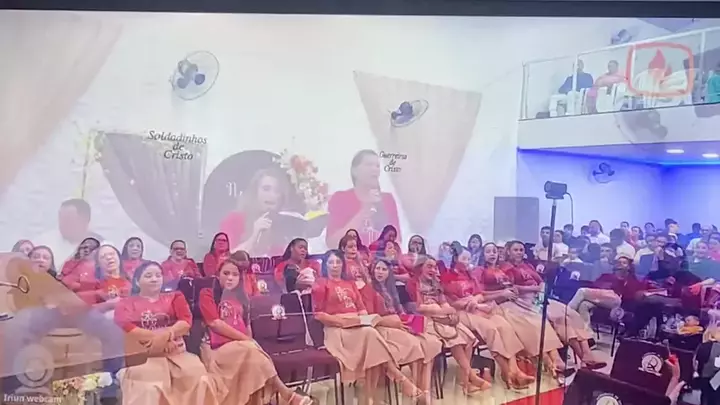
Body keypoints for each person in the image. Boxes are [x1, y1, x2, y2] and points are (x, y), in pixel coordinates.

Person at [4, 257, 126, 403]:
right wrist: (55, 299)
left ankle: (110, 381)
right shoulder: (55, 270)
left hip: (84, 312)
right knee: (18, 325)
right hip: (53, 310)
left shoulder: (93, 268)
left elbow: (97, 294)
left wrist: (81, 301)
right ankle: (15, 383)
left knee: (113, 328)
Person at [312, 250, 424, 405]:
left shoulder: (350, 283)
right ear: (325, 265)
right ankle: (399, 379)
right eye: (331, 262)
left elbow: (361, 308)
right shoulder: (320, 284)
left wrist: (364, 320)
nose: (335, 265)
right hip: (337, 329)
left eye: (338, 262)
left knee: (378, 337)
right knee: (370, 334)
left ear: (343, 264)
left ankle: (369, 399)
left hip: (358, 324)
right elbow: (318, 315)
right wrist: (344, 322)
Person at [198, 259, 313, 405]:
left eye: (235, 274)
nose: (230, 278)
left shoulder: (240, 298)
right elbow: (215, 323)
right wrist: (246, 341)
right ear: (217, 275)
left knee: (254, 357)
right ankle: (286, 394)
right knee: (252, 351)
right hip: (216, 348)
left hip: (241, 348)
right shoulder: (207, 293)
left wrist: (249, 342)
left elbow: (247, 328)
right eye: (226, 273)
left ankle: (285, 396)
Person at [114, 261, 217, 405]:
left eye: (158, 275)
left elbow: (185, 322)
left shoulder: (175, 297)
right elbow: (128, 328)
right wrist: (162, 341)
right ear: (137, 281)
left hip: (176, 352)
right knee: (150, 385)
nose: (154, 279)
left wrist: (167, 334)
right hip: (144, 355)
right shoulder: (126, 303)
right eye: (148, 276)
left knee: (197, 375)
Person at [441, 245, 535, 389]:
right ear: (455, 259)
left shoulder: (470, 275)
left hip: (478, 307)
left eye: (469, 259)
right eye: (464, 258)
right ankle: (507, 371)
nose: (467, 262)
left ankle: (515, 370)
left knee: (504, 326)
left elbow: (480, 294)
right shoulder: (447, 277)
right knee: (490, 329)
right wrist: (474, 304)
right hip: (461, 312)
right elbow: (451, 302)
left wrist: (476, 301)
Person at [503, 241, 603, 371]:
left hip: (538, 297)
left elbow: (541, 282)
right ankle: (573, 360)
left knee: (570, 315)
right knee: (557, 318)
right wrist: (534, 288)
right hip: (523, 301)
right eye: (515, 250)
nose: (519, 253)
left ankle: (586, 354)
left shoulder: (527, 265)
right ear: (508, 251)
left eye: (521, 250)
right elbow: (513, 288)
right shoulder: (506, 268)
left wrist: (538, 289)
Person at [478, 242, 568, 378]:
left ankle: (556, 359)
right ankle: (551, 363)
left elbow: (515, 285)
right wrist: (501, 293)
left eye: (494, 251)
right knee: (526, 326)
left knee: (538, 320)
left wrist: (513, 290)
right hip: (497, 304)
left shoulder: (502, 269)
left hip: (514, 301)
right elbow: (479, 293)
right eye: (488, 251)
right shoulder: (479, 270)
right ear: (482, 254)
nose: (492, 254)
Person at [406, 255, 492, 395]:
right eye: (429, 266)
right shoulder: (413, 283)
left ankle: (466, 381)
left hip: (441, 317)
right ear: (420, 267)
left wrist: (449, 312)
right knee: (456, 340)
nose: (433, 270)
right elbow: (419, 307)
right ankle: (470, 377)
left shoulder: (436, 283)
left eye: (435, 267)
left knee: (468, 339)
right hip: (424, 321)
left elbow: (444, 303)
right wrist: (441, 310)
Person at [365, 258, 442, 402]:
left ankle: (424, 390)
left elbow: (400, 311)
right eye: (377, 269)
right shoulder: (368, 288)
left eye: (384, 269)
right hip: (382, 326)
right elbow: (370, 317)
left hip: (399, 323)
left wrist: (409, 321)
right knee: (415, 344)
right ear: (372, 270)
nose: (380, 272)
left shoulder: (391, 288)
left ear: (389, 273)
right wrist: (392, 322)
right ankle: (415, 391)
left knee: (430, 342)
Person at [325, 150, 401, 248]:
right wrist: (364, 212)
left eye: (377, 166)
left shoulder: (387, 200)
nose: (375, 169)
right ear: (354, 171)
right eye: (369, 165)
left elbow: (397, 241)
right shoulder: (340, 198)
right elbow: (332, 243)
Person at [220, 168, 294, 257]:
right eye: (266, 189)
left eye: (277, 191)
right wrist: (254, 236)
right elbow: (226, 258)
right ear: (255, 192)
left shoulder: (283, 225)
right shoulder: (234, 219)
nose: (272, 195)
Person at [35, 198, 103, 263]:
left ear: (85, 220)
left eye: (67, 219)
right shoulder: (44, 243)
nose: (62, 223)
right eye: (61, 218)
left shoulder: (101, 247)